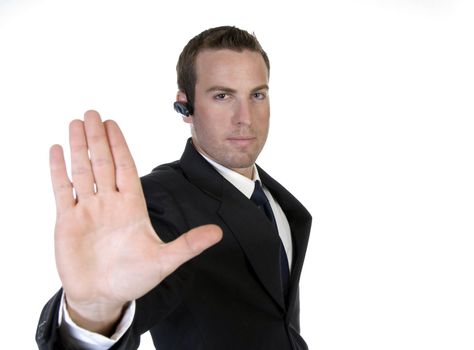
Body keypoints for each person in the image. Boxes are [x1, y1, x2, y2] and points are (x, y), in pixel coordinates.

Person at [36, 26, 312, 350]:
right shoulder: (159, 201)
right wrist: (92, 314)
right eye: (222, 96)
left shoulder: (276, 200)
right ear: (185, 107)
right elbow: (130, 283)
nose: (245, 118)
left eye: (257, 94)